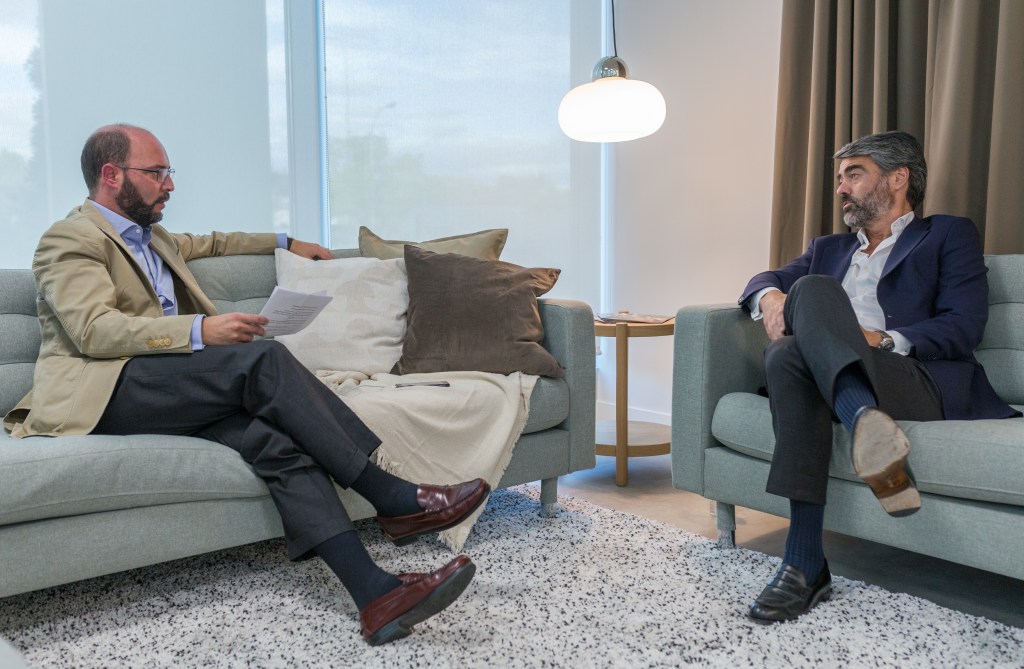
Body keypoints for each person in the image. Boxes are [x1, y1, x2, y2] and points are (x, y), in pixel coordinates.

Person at [3, 123, 490, 646]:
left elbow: (217, 241)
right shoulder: (69, 239)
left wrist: (288, 242)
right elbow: (94, 331)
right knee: (262, 359)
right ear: (111, 175)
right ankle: (389, 494)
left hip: (167, 386)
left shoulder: (153, 238)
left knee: (276, 443)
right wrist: (200, 329)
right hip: (105, 392)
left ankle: (375, 594)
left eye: (169, 172)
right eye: (157, 172)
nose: (170, 184)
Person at [738, 130, 1019, 623]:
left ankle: (805, 560)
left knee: (804, 312)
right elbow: (762, 280)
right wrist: (771, 297)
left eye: (854, 174)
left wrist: (882, 339)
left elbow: (964, 325)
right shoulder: (827, 248)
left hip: (912, 375)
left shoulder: (948, 235)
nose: (841, 188)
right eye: (839, 177)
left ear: (897, 178)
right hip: (836, 371)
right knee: (788, 347)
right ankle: (864, 426)